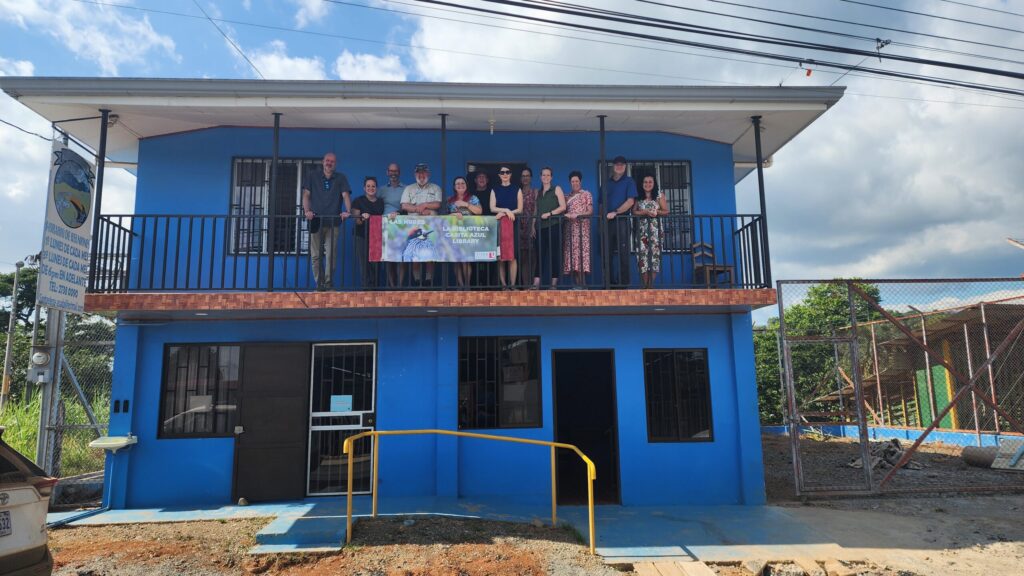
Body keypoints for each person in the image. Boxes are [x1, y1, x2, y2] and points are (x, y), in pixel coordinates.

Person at [302, 151, 351, 291]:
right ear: (323, 162)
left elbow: (345, 195)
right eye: (327, 160)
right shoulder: (313, 176)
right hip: (315, 221)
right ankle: (319, 284)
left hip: (333, 222)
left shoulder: (341, 178)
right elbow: (306, 195)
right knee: (316, 255)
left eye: (332, 161)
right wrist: (307, 211)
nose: (329, 163)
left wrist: (347, 211)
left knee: (331, 255)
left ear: (335, 164)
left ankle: (328, 284)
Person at [401, 163, 442, 286]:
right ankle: (417, 281)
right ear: (415, 174)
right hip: (413, 227)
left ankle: (429, 282)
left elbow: (438, 204)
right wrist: (417, 209)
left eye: (424, 172)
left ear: (428, 174)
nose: (421, 175)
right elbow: (404, 205)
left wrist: (425, 205)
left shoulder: (436, 188)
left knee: (429, 255)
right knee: (415, 255)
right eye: (419, 172)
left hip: (431, 226)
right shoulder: (409, 188)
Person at [489, 165, 523, 290]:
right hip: (499, 226)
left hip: (513, 225)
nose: (505, 174)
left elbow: (520, 209)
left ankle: (513, 285)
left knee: (513, 256)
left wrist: (509, 213)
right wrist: (506, 211)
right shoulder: (494, 190)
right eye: (502, 172)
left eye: (507, 172)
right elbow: (492, 208)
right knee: (501, 256)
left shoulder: (517, 189)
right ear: (499, 175)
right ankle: (504, 285)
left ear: (510, 174)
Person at [604, 155, 636, 288]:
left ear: (625, 166)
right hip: (607, 222)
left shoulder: (629, 181)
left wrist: (616, 212)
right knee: (607, 253)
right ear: (613, 166)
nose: (619, 166)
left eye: (622, 164)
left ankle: (623, 284)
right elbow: (601, 203)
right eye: (617, 164)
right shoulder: (607, 183)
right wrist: (602, 218)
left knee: (624, 253)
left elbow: (630, 201)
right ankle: (609, 283)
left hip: (622, 220)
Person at [446, 176, 483, 288]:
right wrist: (452, 215)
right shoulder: (450, 200)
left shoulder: (472, 198)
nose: (460, 185)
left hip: (468, 233)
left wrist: (465, 204)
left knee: (465, 260)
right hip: (454, 233)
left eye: (463, 183)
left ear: (466, 185)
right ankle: (460, 286)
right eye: (457, 183)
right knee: (456, 260)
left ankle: (467, 286)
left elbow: (479, 211)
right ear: (454, 186)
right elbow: (444, 216)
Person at [533, 167, 566, 289]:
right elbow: (536, 210)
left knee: (554, 255)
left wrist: (550, 213)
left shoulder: (556, 189)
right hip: (540, 228)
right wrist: (532, 226)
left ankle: (553, 284)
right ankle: (536, 283)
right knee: (540, 255)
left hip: (554, 226)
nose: (546, 177)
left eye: (548, 175)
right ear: (540, 177)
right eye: (543, 175)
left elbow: (563, 207)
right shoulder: (538, 193)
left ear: (551, 177)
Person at [633, 174, 668, 289]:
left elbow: (666, 211)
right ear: (642, 184)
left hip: (656, 232)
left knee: (655, 258)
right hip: (642, 231)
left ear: (654, 184)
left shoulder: (659, 195)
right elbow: (634, 212)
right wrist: (645, 212)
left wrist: (656, 212)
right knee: (642, 258)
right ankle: (645, 286)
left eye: (650, 182)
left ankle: (649, 286)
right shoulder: (638, 196)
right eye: (645, 182)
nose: (647, 184)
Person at [352, 176, 386, 289]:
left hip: (377, 237)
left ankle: (375, 288)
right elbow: (356, 220)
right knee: (364, 263)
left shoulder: (381, 202)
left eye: (373, 186)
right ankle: (366, 289)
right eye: (368, 186)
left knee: (376, 264)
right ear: (364, 188)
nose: (371, 188)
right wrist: (362, 217)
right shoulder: (358, 201)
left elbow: (383, 218)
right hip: (361, 235)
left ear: (376, 188)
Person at [562, 170, 593, 289]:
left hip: (582, 230)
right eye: (572, 181)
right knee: (572, 257)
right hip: (570, 230)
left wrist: (577, 215)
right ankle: (576, 285)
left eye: (577, 181)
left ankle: (582, 285)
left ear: (580, 182)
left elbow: (590, 211)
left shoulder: (586, 194)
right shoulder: (567, 196)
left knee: (581, 257)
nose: (575, 183)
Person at [378, 162, 405, 287]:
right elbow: (374, 203)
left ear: (399, 172)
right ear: (387, 172)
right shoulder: (382, 190)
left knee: (400, 257)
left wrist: (399, 213)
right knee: (389, 258)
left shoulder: (406, 189)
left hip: (401, 226)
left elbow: (408, 207)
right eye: (391, 171)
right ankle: (392, 286)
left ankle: (399, 286)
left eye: (396, 171)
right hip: (385, 226)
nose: (393, 173)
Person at [519, 167, 538, 288]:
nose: (525, 178)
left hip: (532, 226)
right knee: (523, 257)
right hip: (520, 227)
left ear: (531, 177)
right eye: (523, 176)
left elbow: (536, 208)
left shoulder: (535, 191)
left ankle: (533, 284)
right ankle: (525, 285)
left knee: (533, 256)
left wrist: (532, 226)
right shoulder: (518, 192)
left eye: (527, 175)